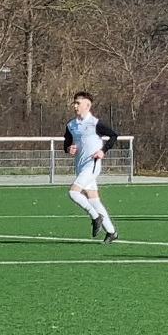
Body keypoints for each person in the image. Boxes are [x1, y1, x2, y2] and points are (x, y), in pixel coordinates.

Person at [63, 91, 120, 244]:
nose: (75, 106)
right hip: (80, 167)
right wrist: (69, 148)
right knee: (94, 200)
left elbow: (113, 135)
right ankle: (111, 232)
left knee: (73, 193)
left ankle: (95, 217)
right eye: (75, 103)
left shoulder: (95, 123)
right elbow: (66, 143)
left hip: (92, 166)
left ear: (87, 105)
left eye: (78, 103)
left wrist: (103, 151)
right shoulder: (71, 125)